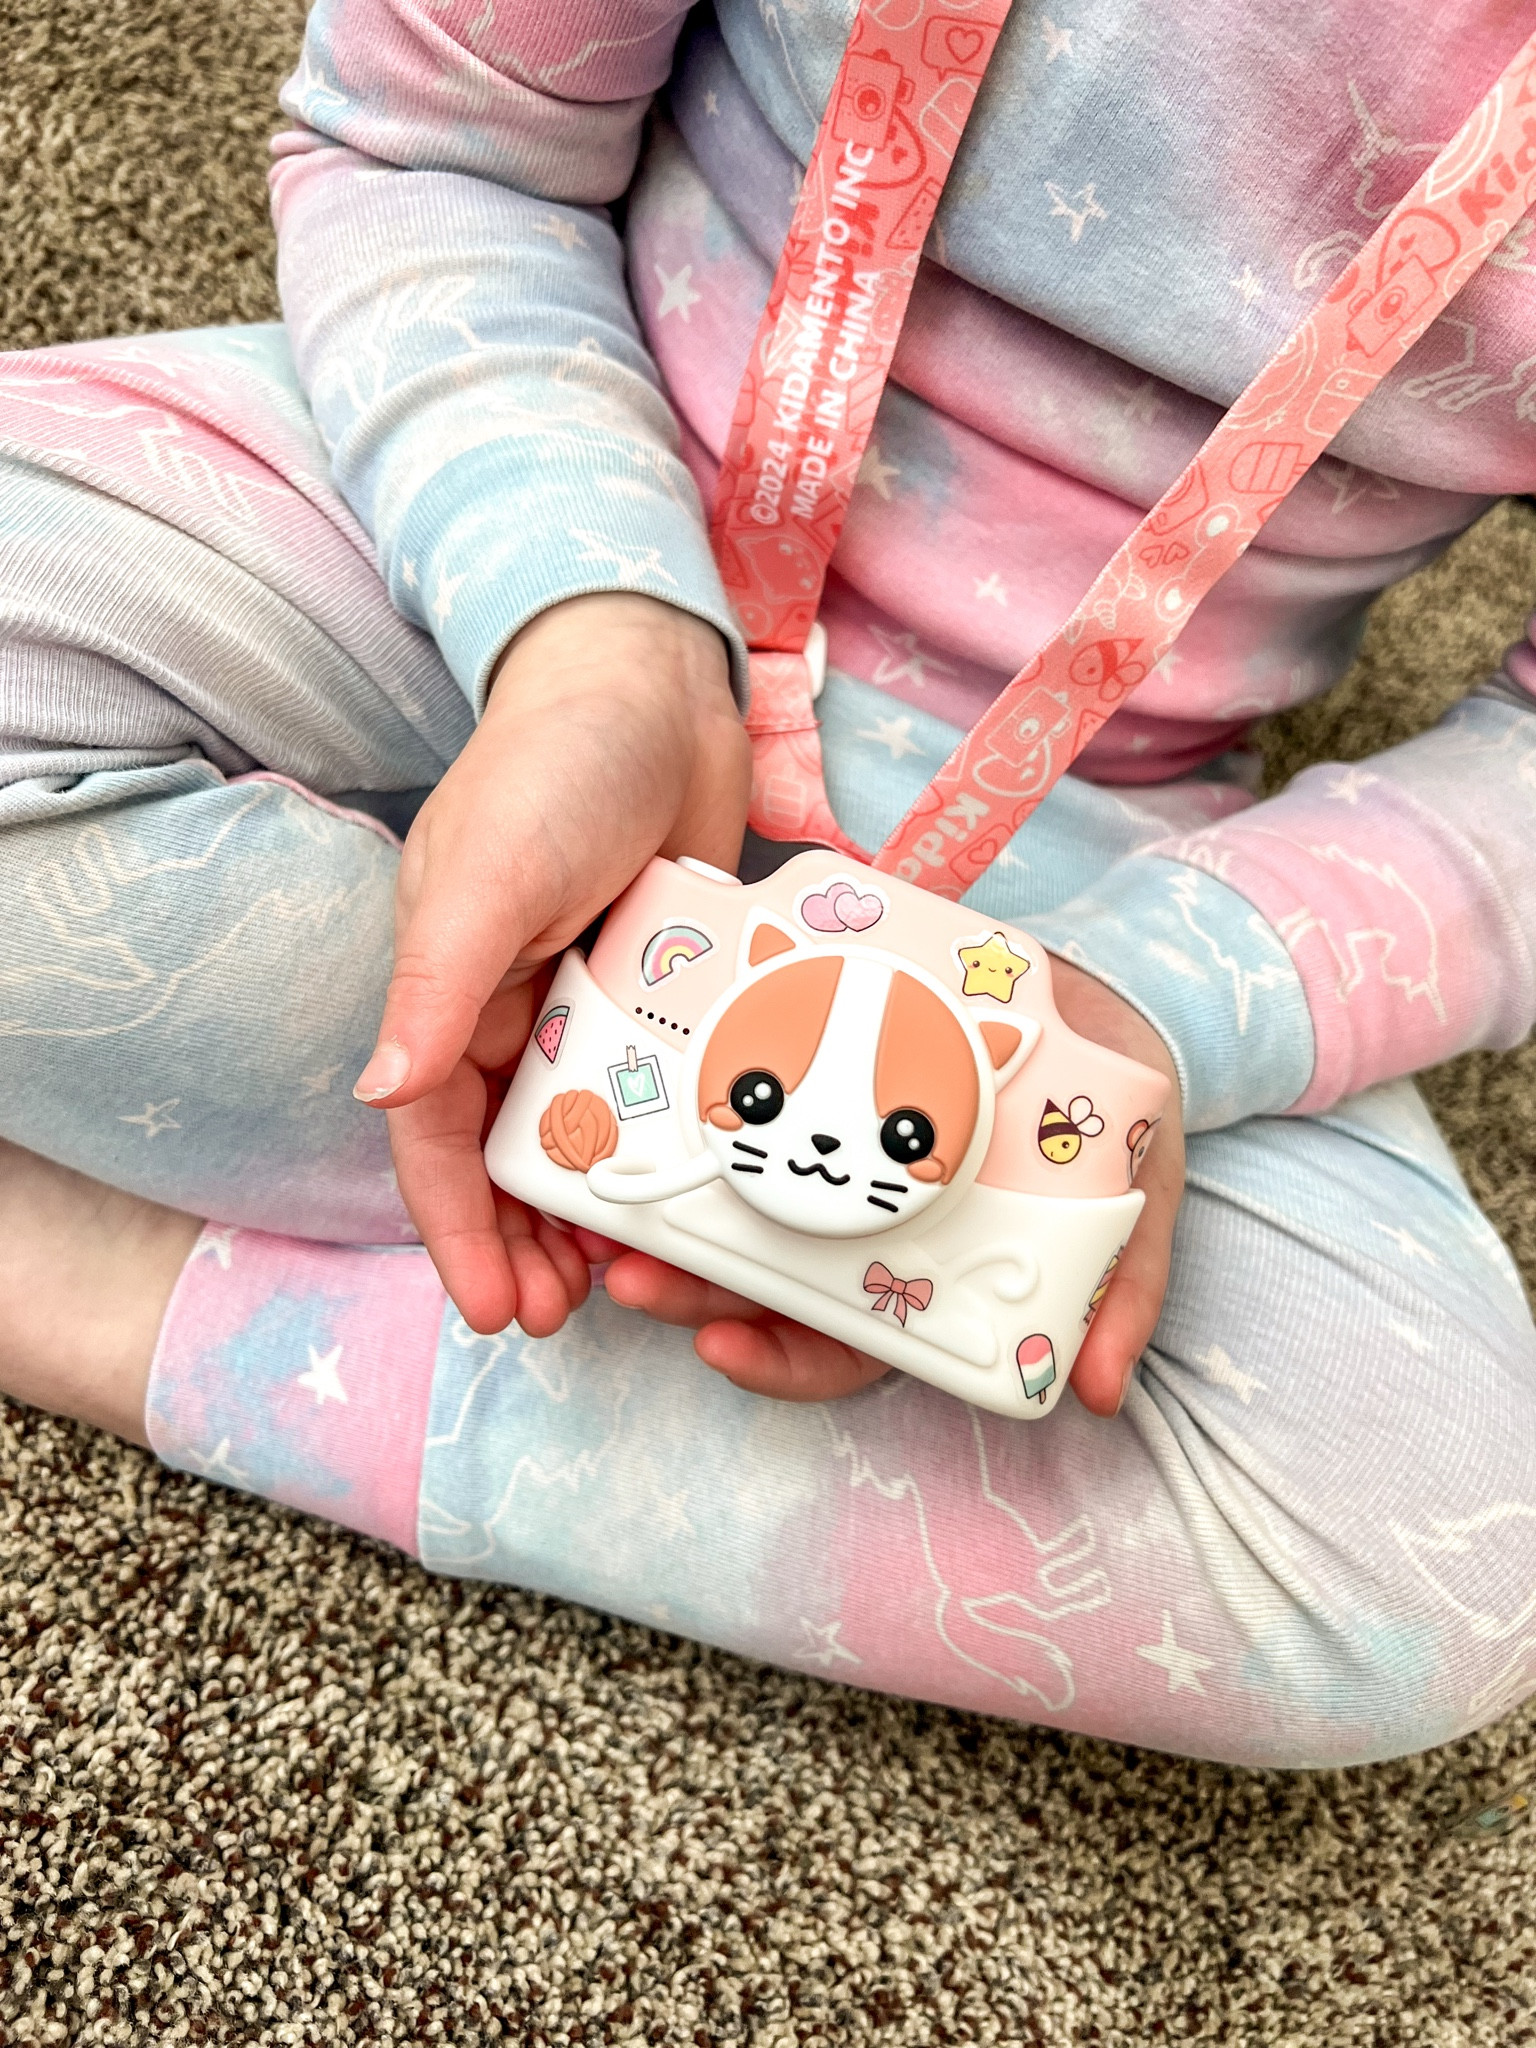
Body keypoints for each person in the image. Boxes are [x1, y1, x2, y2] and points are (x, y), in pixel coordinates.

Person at [2, 0, 1534, 1769]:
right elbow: (432, 135)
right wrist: (581, 624)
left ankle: (154, 1285)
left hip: (1106, 832)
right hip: (555, 488)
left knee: (1426, 1556)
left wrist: (1162, 998)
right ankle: (671, 1218)